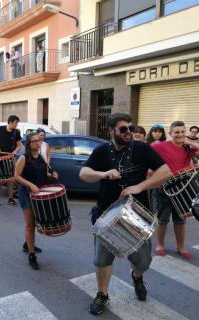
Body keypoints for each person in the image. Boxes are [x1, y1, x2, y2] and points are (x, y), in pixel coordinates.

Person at [79, 113, 172, 316]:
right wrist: (103, 174)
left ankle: (137, 277)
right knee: (102, 260)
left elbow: (166, 172)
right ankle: (102, 294)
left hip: (138, 216)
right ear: (111, 131)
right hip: (106, 215)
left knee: (143, 262)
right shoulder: (101, 151)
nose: (129, 132)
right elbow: (83, 174)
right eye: (123, 129)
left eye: (131, 127)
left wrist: (139, 186)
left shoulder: (141, 148)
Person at [152, 121, 199, 260]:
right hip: (164, 188)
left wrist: (191, 143)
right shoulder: (161, 146)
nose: (180, 135)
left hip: (183, 189)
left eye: (182, 132)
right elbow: (146, 155)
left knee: (181, 220)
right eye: (177, 132)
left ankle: (181, 247)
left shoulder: (189, 147)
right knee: (163, 219)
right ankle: (160, 245)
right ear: (170, 134)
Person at [15, 132, 59, 270]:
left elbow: (43, 175)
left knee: (35, 223)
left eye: (38, 141)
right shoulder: (23, 158)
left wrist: (52, 176)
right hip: (26, 194)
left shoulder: (40, 157)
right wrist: (30, 184)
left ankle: (27, 244)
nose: (37, 143)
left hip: (38, 194)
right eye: (34, 141)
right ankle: (32, 254)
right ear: (28, 144)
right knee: (30, 224)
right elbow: (16, 176)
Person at [0, 115, 21, 207]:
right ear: (10, 122)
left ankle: (11, 199)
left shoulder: (16, 132)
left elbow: (19, 145)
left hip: (10, 158)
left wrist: (15, 152)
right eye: (16, 122)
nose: (17, 125)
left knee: (11, 179)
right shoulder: (0, 129)